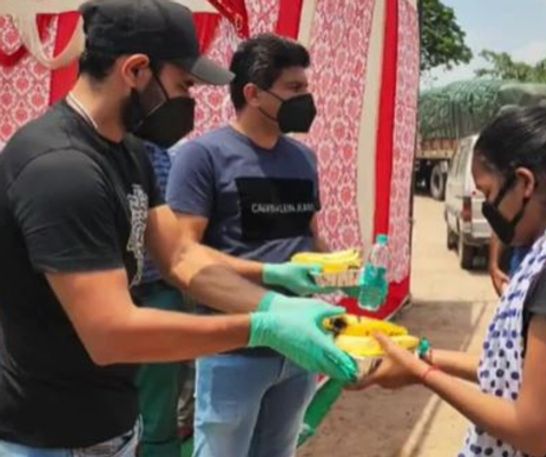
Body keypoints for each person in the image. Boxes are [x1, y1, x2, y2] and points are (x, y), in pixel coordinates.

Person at [0, 1, 357, 456]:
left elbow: (181, 258)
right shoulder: (61, 168)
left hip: (109, 423)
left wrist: (276, 300)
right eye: (184, 84)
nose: (191, 99)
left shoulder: (128, 152)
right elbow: (111, 333)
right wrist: (261, 327)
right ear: (135, 71)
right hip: (50, 437)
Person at [358, 102, 546, 457]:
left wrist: (424, 376)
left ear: (524, 184)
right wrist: (422, 357)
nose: (488, 209)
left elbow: (531, 431)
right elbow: (511, 369)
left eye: (488, 194)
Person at [166, 34, 332, 457]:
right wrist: (270, 275)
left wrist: (342, 272)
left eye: (306, 89)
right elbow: (184, 252)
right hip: (233, 348)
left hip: (299, 347)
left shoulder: (303, 159)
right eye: (295, 89)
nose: (306, 99)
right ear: (253, 94)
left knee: (279, 451)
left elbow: (309, 234)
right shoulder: (202, 157)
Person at [133, 141, 186, 457]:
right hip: (101, 295)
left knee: (158, 404)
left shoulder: (170, 158)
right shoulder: (80, 157)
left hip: (157, 290)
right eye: (183, 86)